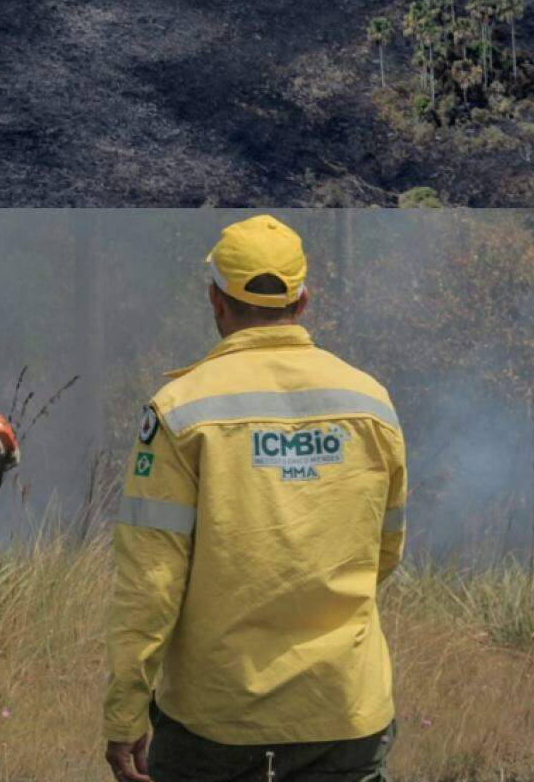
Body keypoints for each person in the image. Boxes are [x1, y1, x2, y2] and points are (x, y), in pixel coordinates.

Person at [103, 214, 408, 782]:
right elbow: (384, 552)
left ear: (215, 301)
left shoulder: (179, 411)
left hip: (217, 722)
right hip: (345, 711)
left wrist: (125, 711)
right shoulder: (372, 404)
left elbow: (152, 583)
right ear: (304, 301)